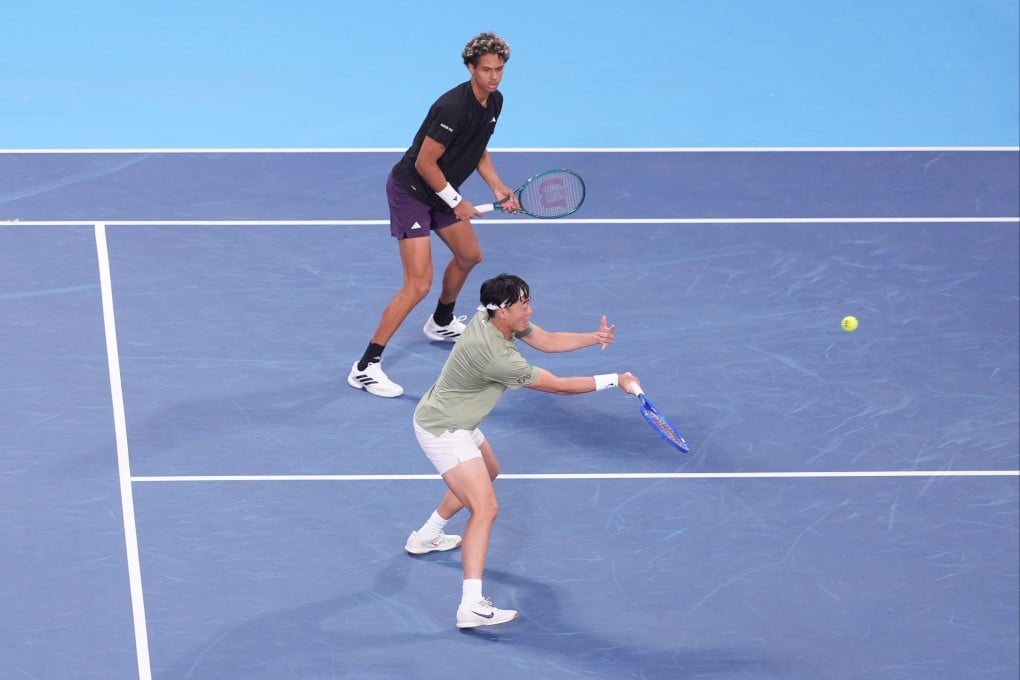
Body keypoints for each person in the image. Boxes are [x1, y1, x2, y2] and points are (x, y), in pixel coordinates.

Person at [402, 273, 641, 629]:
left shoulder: (492, 319)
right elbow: (558, 387)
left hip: (457, 419)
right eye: (524, 304)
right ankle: (470, 604)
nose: (531, 309)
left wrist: (594, 338)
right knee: (485, 508)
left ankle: (425, 536)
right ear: (502, 311)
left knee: (490, 471)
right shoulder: (497, 357)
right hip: (444, 429)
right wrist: (614, 380)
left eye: (529, 300)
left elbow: (545, 339)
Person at [348, 32, 522, 398]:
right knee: (418, 284)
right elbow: (426, 163)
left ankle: (441, 322)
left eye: (500, 69)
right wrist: (456, 201)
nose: (494, 77)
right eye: (486, 69)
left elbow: (477, 149)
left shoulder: (494, 102)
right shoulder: (452, 108)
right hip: (412, 191)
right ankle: (366, 367)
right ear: (471, 68)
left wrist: (496, 186)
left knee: (470, 255)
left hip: (442, 191)